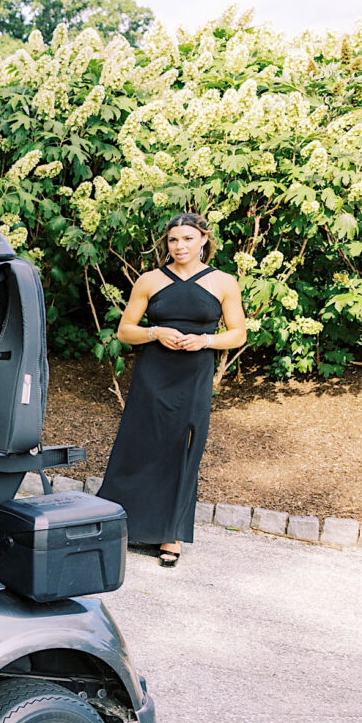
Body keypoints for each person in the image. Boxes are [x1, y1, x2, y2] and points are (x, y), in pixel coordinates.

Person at [99, 212, 247, 566]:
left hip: (193, 374)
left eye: (188, 239)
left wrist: (206, 340)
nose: (180, 246)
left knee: (183, 448)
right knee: (140, 444)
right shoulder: (150, 280)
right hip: (154, 373)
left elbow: (238, 333)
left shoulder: (224, 282)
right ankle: (123, 526)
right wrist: (156, 332)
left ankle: (170, 534)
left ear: (203, 241)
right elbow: (125, 331)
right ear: (166, 244)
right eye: (173, 240)